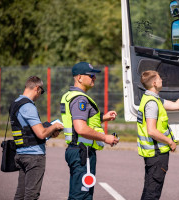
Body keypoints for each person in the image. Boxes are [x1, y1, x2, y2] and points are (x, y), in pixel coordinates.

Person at [137, 70, 179, 200]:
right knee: (152, 194)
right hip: (157, 155)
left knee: (150, 190)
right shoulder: (152, 104)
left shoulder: (152, 99)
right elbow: (152, 130)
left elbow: (177, 105)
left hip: (154, 155)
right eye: (160, 78)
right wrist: (169, 141)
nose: (162, 80)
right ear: (154, 83)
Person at [60, 62, 119, 200]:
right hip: (82, 153)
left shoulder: (70, 95)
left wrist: (103, 118)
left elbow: (83, 120)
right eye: (91, 75)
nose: (94, 78)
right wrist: (105, 138)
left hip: (77, 150)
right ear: (79, 78)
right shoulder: (80, 99)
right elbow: (80, 128)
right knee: (81, 195)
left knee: (82, 194)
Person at [10, 76, 64, 200]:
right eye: (42, 91)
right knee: (31, 196)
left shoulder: (16, 103)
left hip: (21, 154)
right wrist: (54, 126)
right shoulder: (28, 106)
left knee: (20, 195)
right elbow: (41, 133)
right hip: (33, 157)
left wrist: (50, 132)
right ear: (37, 88)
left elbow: (27, 132)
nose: (40, 95)